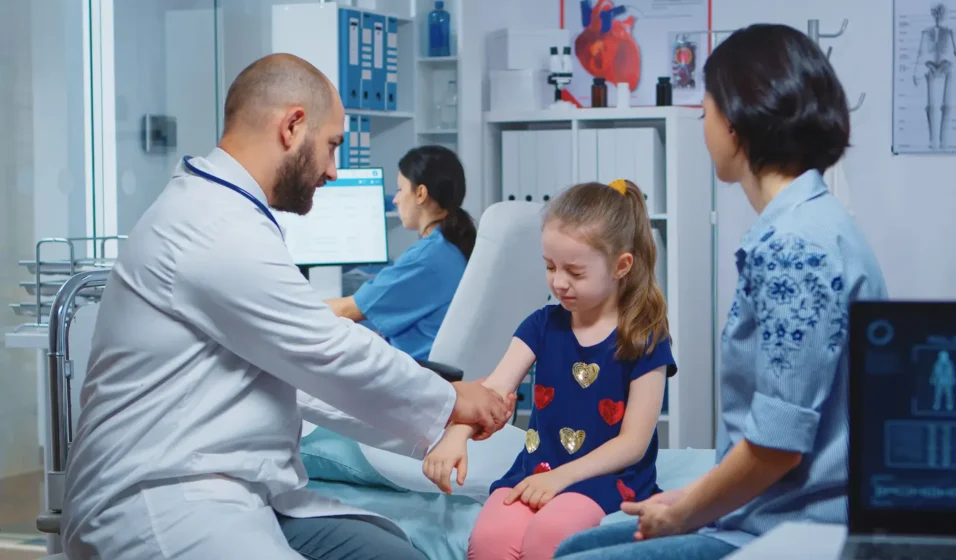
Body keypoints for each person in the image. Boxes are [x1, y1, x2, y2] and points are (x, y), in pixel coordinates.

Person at [59, 53, 513, 560]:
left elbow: (303, 372)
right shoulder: (212, 225)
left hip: (235, 490)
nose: (333, 171)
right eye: (332, 146)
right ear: (293, 126)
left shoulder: (232, 216)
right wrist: (450, 401)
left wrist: (439, 415)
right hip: (163, 499)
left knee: (393, 550)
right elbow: (326, 349)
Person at [553, 23, 888, 559]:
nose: (702, 124)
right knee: (578, 545)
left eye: (705, 109)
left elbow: (777, 446)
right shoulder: (806, 224)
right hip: (760, 510)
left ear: (738, 123)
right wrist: (690, 497)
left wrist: (684, 510)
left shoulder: (796, 247)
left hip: (792, 526)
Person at [422, 179, 676, 560]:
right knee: (489, 540)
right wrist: (456, 434)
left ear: (621, 266)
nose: (559, 282)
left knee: (551, 534)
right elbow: (491, 391)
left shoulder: (644, 338)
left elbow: (633, 443)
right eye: (550, 266)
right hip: (537, 469)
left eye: (575, 272)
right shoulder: (542, 325)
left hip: (607, 478)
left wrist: (562, 477)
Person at [326, 145, 475, 360]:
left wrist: (288, 304)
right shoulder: (449, 246)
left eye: (400, 189)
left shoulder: (426, 258)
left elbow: (347, 311)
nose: (395, 199)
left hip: (420, 380)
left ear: (421, 193)